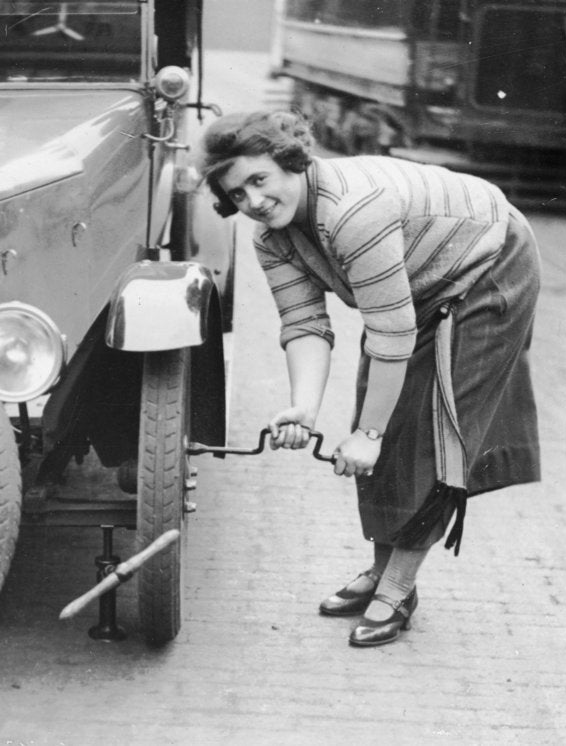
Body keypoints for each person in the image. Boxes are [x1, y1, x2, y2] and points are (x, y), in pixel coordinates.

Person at [200, 110, 541, 647]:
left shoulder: (352, 213)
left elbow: (391, 333)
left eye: (259, 179)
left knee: (429, 429)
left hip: (488, 263)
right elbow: (305, 324)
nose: (254, 201)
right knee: (376, 410)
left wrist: (370, 434)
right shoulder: (272, 240)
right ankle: (382, 571)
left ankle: (398, 587)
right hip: (418, 284)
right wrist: (304, 408)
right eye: (237, 194)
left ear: (290, 161)